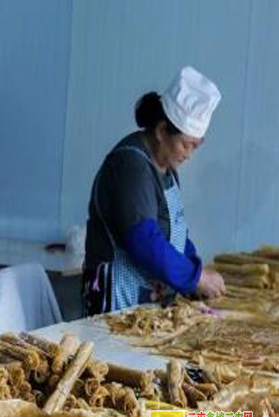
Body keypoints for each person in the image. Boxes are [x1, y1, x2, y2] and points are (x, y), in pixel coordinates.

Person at [82, 65, 226, 316]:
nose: (189, 155)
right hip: (117, 296)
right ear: (161, 131)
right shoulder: (131, 165)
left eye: (196, 147)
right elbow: (143, 239)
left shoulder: (166, 169)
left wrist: (193, 270)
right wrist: (195, 277)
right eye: (186, 145)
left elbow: (176, 235)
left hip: (147, 298)